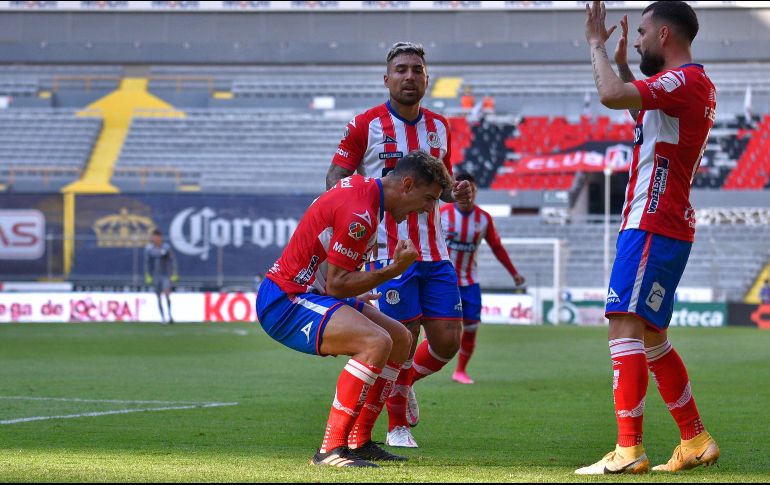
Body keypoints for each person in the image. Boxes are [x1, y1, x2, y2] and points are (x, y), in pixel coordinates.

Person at [576, 1, 719, 475]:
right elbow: (640, 110)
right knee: (653, 338)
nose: (634, 41)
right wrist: (619, 62)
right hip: (666, 223)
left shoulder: (684, 81)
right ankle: (694, 438)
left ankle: (628, 449)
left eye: (640, 32)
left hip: (652, 223)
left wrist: (596, 44)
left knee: (623, 324)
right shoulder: (686, 87)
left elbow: (613, 96)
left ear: (664, 35)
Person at [257, 151, 453, 467]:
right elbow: (337, 284)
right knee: (376, 342)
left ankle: (358, 442)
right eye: (428, 198)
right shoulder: (361, 211)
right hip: (287, 299)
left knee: (400, 339)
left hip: (314, 293)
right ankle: (329, 450)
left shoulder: (365, 195)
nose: (429, 209)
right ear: (406, 184)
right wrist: (392, 270)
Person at [325, 41, 473, 448]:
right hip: (389, 251)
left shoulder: (440, 127)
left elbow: (441, 188)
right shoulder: (364, 124)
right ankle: (395, 427)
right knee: (401, 338)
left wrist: (457, 193)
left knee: (447, 341)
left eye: (417, 70)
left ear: (427, 78)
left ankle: (404, 386)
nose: (410, 76)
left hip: (435, 252)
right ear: (386, 78)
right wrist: (356, 232)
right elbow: (335, 180)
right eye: (402, 69)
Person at [440, 173, 525, 385]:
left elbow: (497, 247)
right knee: (438, 327)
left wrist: (514, 273)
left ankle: (460, 371)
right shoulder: (442, 214)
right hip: (444, 281)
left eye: (473, 190)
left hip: (470, 282)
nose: (469, 195)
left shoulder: (483, 219)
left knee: (471, 327)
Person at [144, 229, 177, 324]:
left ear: (160, 237)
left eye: (157, 237)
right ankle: (162, 318)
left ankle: (170, 316)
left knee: (167, 294)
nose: (155, 239)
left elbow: (172, 261)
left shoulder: (166, 248)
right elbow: (147, 263)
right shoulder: (149, 249)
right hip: (155, 276)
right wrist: (148, 275)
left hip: (166, 275)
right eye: (154, 237)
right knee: (158, 297)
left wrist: (174, 274)